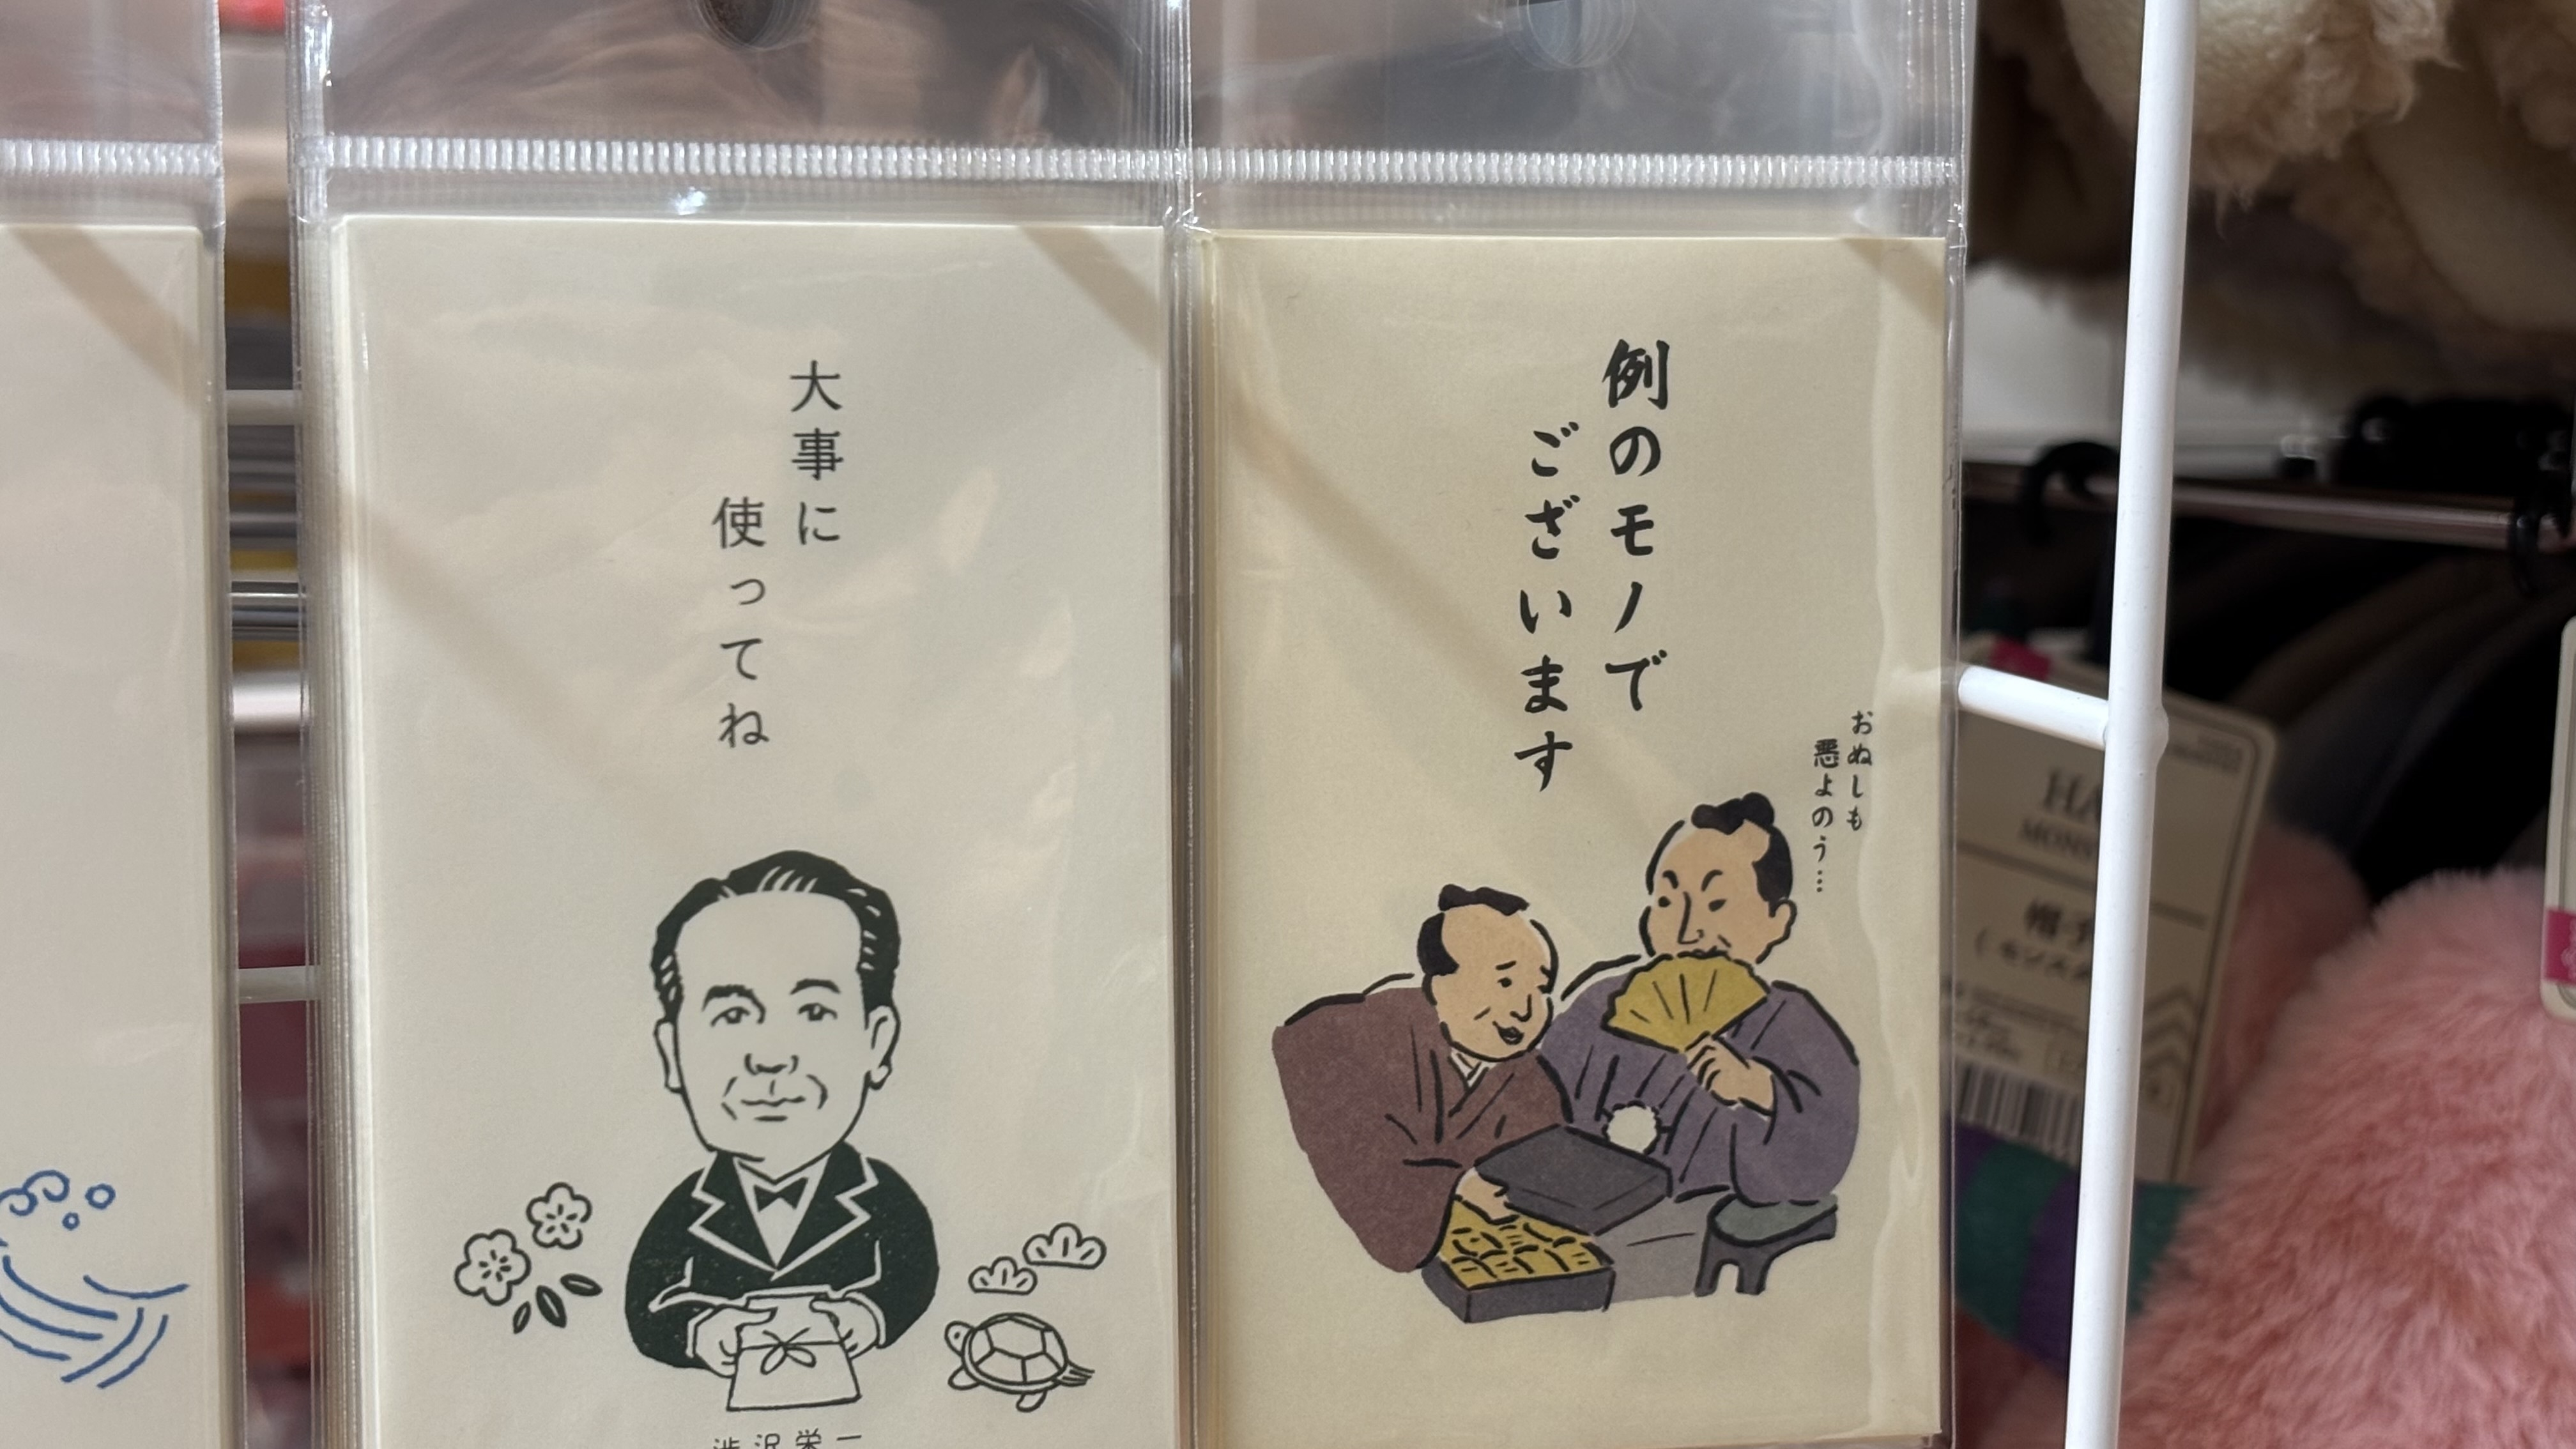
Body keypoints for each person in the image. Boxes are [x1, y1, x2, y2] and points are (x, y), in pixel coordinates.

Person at [624, 850, 939, 1389]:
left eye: (814, 1012)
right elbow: (646, 1308)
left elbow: (912, 1276)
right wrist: (698, 1330)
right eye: (732, 1015)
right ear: (673, 1054)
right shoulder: (684, 1212)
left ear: (877, 1042)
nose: (770, 1058)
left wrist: (869, 1315)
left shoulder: (885, 1199)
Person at [1539, 797, 1859, 1205]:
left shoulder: (1795, 1024)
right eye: (1668, 902)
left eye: (1717, 902)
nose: (1688, 931)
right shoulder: (1602, 1006)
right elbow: (1537, 1101)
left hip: (1713, 1224)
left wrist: (1760, 1089)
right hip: (1578, 1209)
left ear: (1777, 921)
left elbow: (1827, 1153)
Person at [1273, 885, 1572, 1273]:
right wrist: (1461, 1187)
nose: (1525, 1009)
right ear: (1439, 986)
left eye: (1541, 988)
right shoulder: (1349, 1039)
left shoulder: (1536, 1087)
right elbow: (1359, 1161)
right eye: (1505, 982)